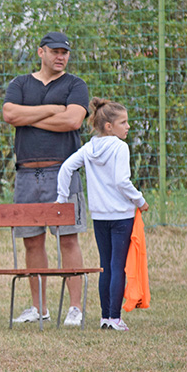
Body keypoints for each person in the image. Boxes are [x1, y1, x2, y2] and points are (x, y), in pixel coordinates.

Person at [3, 31, 89, 327]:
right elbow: (10, 114)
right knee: (31, 242)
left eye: (65, 52)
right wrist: (53, 109)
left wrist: (31, 117)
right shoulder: (20, 83)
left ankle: (74, 308)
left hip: (63, 172)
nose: (61, 56)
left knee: (67, 239)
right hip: (26, 172)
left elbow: (73, 120)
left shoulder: (75, 85)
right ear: (41, 52)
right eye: (55, 51)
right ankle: (39, 308)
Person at [56, 98, 148, 331]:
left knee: (105, 265)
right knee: (118, 266)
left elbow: (66, 167)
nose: (128, 126)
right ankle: (115, 318)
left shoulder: (89, 147)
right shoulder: (120, 147)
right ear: (109, 126)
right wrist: (140, 200)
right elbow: (121, 181)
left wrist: (61, 197)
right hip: (120, 216)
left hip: (99, 216)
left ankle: (106, 317)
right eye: (123, 122)